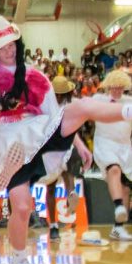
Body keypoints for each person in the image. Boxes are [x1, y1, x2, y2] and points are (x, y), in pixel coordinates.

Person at [0, 16, 132, 264]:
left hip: (38, 132)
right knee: (22, 207)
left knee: (78, 108)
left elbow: (57, 117)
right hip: (10, 139)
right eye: (1, 46)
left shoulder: (35, 75)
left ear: (17, 43)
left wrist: (79, 144)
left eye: (11, 44)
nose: (8, 50)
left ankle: (128, 110)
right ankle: (18, 263)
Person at [90, 70, 132, 241]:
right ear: (108, 86)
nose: (117, 91)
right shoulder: (98, 100)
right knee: (113, 169)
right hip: (104, 144)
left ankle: (118, 228)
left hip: (125, 147)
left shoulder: (130, 102)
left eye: (120, 88)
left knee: (125, 188)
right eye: (114, 88)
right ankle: (117, 207)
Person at [42, 76, 83, 242]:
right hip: (64, 145)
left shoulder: (47, 106)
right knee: (68, 173)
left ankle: (53, 228)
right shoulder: (69, 106)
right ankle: (71, 192)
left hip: (51, 149)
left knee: (50, 189)